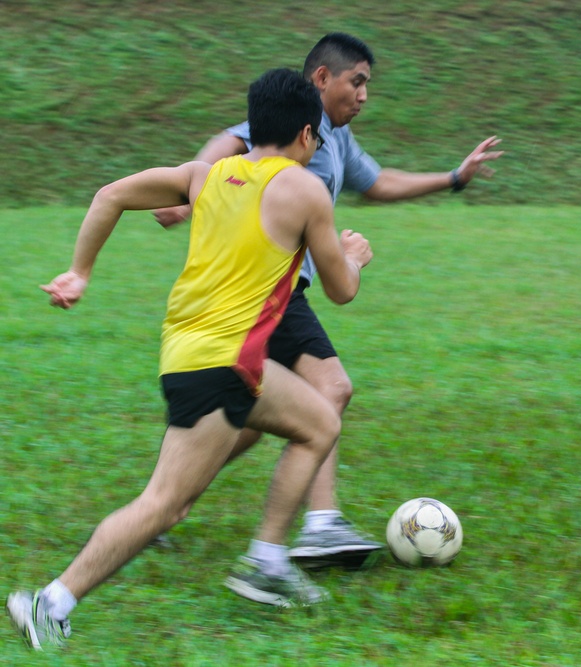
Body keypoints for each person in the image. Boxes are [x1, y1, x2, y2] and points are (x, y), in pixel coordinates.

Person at [7, 68, 373, 651]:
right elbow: (341, 290)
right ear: (308, 135)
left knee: (320, 420)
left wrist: (81, 271)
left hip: (192, 352)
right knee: (166, 504)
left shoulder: (207, 175)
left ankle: (269, 559)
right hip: (222, 363)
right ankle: (50, 602)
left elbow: (112, 195)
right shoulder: (302, 188)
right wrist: (354, 254)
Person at [153, 31, 504, 570]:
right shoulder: (293, 122)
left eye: (367, 85)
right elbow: (229, 142)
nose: (363, 95)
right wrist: (183, 195)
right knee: (331, 389)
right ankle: (318, 524)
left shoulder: (334, 138)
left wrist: (454, 178)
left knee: (247, 410)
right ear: (322, 79)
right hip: (271, 288)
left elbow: (379, 182)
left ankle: (169, 498)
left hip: (279, 292)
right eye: (356, 82)